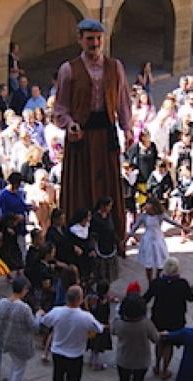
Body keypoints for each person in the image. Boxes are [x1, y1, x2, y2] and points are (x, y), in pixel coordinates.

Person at [53, 19, 131, 246]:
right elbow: (60, 108)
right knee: (81, 187)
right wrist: (69, 124)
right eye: (89, 39)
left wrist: (126, 128)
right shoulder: (68, 69)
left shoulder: (115, 66)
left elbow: (122, 100)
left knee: (107, 185)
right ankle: (78, 239)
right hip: (81, 137)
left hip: (106, 133)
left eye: (98, 39)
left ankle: (111, 238)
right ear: (80, 39)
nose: (94, 43)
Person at [41, 285, 104, 381]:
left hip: (58, 352)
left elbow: (45, 321)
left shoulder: (57, 312)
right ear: (80, 299)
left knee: (58, 378)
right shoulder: (85, 317)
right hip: (75, 355)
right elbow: (98, 328)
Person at [144, 257, 193, 379]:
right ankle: (165, 370)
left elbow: (146, 297)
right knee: (169, 343)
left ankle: (156, 365)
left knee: (160, 340)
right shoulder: (182, 284)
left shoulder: (157, 283)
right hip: (175, 318)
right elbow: (191, 298)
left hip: (159, 317)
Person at [111, 291, 159, 381]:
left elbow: (112, 331)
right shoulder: (146, 324)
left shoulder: (120, 323)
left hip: (124, 359)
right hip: (141, 361)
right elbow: (156, 338)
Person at [0, 277, 41, 381]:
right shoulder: (24, 308)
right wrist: (38, 316)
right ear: (24, 290)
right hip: (20, 343)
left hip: (6, 340)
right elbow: (34, 327)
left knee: (15, 366)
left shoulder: (2, 302)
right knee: (19, 369)